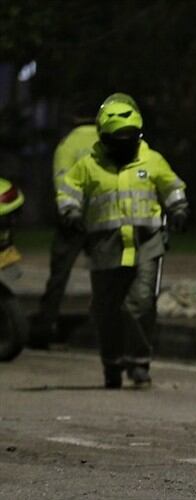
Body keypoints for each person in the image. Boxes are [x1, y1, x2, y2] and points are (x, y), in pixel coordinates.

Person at [56, 93, 189, 388]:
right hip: (105, 247)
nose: (124, 144)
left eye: (130, 138)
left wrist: (178, 208)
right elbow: (68, 191)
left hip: (147, 244)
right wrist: (71, 212)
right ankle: (112, 363)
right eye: (117, 139)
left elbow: (172, 186)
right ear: (103, 137)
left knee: (141, 303)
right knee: (106, 310)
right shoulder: (89, 165)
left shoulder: (151, 160)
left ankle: (139, 363)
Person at [29, 102, 99, 348]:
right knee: (107, 273)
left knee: (59, 276)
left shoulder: (68, 145)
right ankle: (108, 327)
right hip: (105, 217)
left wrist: (69, 212)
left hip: (74, 218)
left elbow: (62, 181)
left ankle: (45, 328)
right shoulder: (109, 141)